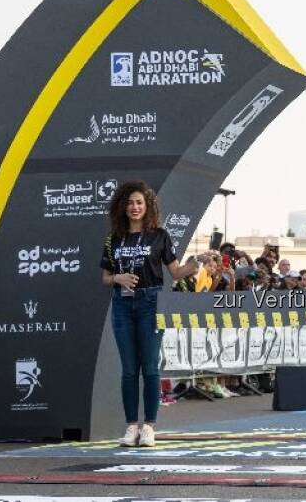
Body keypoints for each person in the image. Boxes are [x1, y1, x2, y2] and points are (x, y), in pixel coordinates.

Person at [100, 180, 198, 448]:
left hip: (152, 303)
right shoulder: (114, 238)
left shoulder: (159, 236)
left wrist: (196, 264)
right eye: (130, 202)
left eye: (139, 203)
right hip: (122, 304)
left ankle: (149, 427)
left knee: (150, 366)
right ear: (123, 206)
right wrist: (118, 277)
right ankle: (131, 426)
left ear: (148, 206)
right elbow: (105, 277)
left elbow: (176, 272)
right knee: (129, 369)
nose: (134, 207)